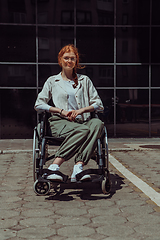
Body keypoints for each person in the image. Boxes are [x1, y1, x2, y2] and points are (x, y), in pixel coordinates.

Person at [34, 44, 104, 182]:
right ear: (60, 60)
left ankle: (78, 169)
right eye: (66, 58)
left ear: (76, 61)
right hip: (60, 122)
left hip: (82, 121)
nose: (69, 61)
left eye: (72, 58)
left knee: (97, 123)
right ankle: (54, 167)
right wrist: (61, 111)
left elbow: (98, 104)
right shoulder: (52, 81)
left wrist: (82, 110)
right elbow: (39, 104)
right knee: (83, 131)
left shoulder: (85, 80)